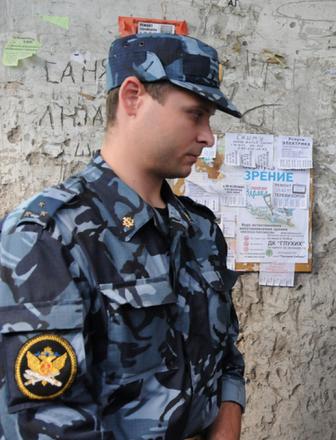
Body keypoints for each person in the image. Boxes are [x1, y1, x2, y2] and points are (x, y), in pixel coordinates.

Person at [0, 33, 245, 439]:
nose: (208, 135)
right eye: (195, 114)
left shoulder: (199, 229)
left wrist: (228, 417)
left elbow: (226, 352)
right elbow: (46, 421)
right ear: (133, 97)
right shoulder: (48, 237)